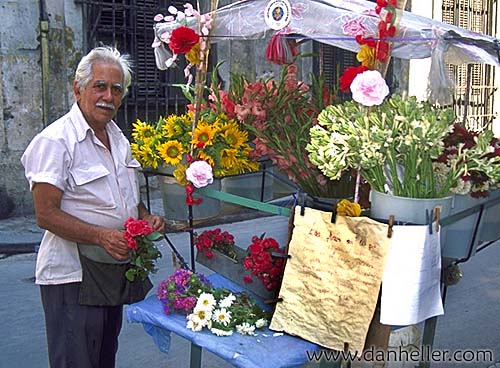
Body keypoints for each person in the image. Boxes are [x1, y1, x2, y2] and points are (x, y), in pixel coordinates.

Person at [21, 46, 165, 368]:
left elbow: (126, 197)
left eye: (117, 89)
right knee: (77, 361)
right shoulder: (55, 141)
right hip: (72, 276)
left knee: (103, 359)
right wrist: (101, 236)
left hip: (109, 271)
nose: (108, 96)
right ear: (78, 89)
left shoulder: (119, 139)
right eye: (100, 86)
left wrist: (145, 218)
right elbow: (45, 213)